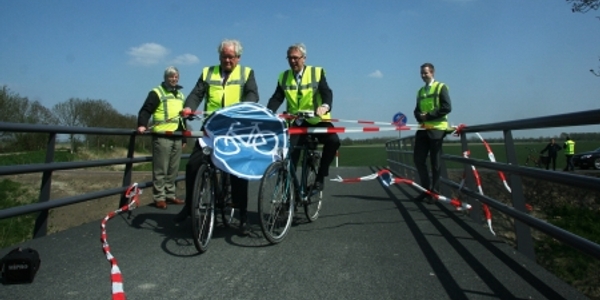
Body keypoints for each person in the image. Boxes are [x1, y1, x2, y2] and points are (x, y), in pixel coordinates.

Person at [174, 39, 258, 234]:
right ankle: (189, 206)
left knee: (238, 171)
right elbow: (196, 94)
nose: (227, 60)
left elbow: (252, 95)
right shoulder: (208, 72)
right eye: (223, 56)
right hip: (211, 127)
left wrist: (243, 109)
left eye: (231, 57)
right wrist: (189, 107)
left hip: (235, 128)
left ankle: (242, 215)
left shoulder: (247, 73)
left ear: (238, 58)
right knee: (193, 164)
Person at [266, 43, 340, 191]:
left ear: (304, 58)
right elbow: (277, 98)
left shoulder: (316, 72)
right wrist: (267, 113)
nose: (293, 61)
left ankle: (320, 176)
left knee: (334, 140)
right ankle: (287, 198)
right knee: (290, 157)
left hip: (317, 120)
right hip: (297, 122)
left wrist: (325, 106)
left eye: (296, 58)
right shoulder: (284, 76)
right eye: (290, 58)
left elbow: (326, 92)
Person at [137, 66, 186, 209]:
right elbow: (146, 110)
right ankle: (159, 197)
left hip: (177, 135)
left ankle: (170, 195)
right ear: (165, 78)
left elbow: (182, 119)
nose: (174, 79)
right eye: (171, 76)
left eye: (176, 76)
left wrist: (183, 137)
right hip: (162, 136)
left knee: (173, 169)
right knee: (161, 169)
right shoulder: (156, 92)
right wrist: (142, 124)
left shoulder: (181, 95)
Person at [413, 62, 452, 203]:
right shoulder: (420, 91)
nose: (423, 75)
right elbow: (416, 110)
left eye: (426, 72)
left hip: (437, 129)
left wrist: (428, 116)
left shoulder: (441, 87)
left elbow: (447, 107)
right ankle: (425, 190)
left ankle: (434, 193)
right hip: (423, 129)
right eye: (422, 73)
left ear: (432, 73)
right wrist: (419, 116)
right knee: (418, 159)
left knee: (435, 162)